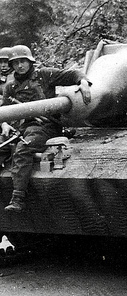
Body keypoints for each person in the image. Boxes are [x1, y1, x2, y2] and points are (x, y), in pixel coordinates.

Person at [0, 45, 91, 212]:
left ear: (30, 61)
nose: (20, 66)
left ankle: (18, 197)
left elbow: (72, 75)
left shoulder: (44, 75)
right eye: (16, 63)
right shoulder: (10, 87)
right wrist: (4, 124)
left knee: (23, 149)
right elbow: (5, 109)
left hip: (44, 126)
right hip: (18, 128)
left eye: (23, 61)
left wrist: (84, 83)